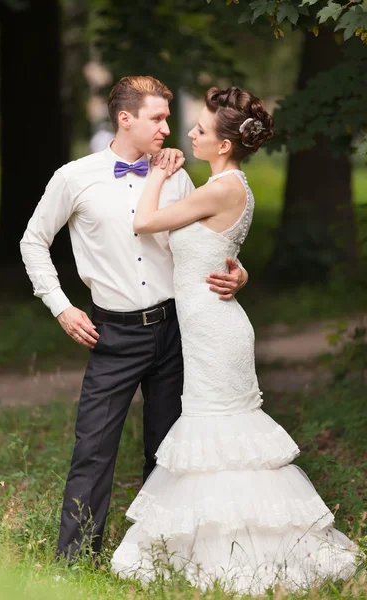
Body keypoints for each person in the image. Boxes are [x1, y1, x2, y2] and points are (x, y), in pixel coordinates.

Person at [111, 86, 357, 594]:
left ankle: (241, 551)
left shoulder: (222, 187)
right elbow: (214, 249)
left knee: (223, 434)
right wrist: (238, 271)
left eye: (200, 129)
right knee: (213, 435)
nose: (191, 134)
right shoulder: (223, 183)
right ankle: (215, 545)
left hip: (215, 329)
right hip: (206, 324)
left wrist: (156, 175)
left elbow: (145, 222)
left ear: (224, 144)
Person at [20, 76, 248, 561]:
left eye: (168, 117)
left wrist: (238, 273)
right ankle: (74, 563)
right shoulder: (74, 177)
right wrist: (61, 306)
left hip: (176, 330)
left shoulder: (179, 176)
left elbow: (204, 243)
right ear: (125, 118)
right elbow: (32, 241)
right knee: (94, 450)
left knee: (169, 451)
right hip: (113, 333)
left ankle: (159, 555)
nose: (169, 127)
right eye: (158, 117)